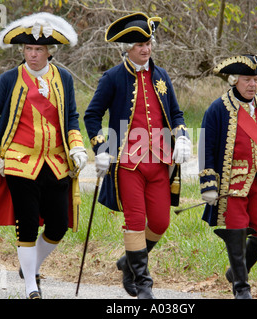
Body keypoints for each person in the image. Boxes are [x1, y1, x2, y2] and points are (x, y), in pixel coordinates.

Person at [0, 12, 87, 299]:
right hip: (19, 162)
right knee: (27, 223)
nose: (32, 55)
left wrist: (77, 146)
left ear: (49, 52)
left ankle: (31, 264)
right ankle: (31, 287)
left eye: (38, 50)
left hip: (56, 162)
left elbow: (71, 116)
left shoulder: (65, 79)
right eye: (28, 50)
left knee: (59, 225)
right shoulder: (9, 79)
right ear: (22, 51)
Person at [84, 12, 191, 299]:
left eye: (148, 43)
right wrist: (101, 148)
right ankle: (143, 283)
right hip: (127, 163)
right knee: (135, 220)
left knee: (160, 222)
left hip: (159, 161)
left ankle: (128, 262)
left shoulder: (162, 75)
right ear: (126, 49)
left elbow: (176, 114)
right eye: (138, 45)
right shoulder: (113, 78)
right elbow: (92, 115)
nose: (145, 49)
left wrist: (182, 137)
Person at [198, 55, 257, 299]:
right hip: (232, 185)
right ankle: (241, 287)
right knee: (236, 233)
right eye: (247, 79)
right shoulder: (217, 109)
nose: (253, 84)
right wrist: (208, 182)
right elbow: (205, 147)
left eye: (256, 79)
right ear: (234, 80)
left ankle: (236, 272)